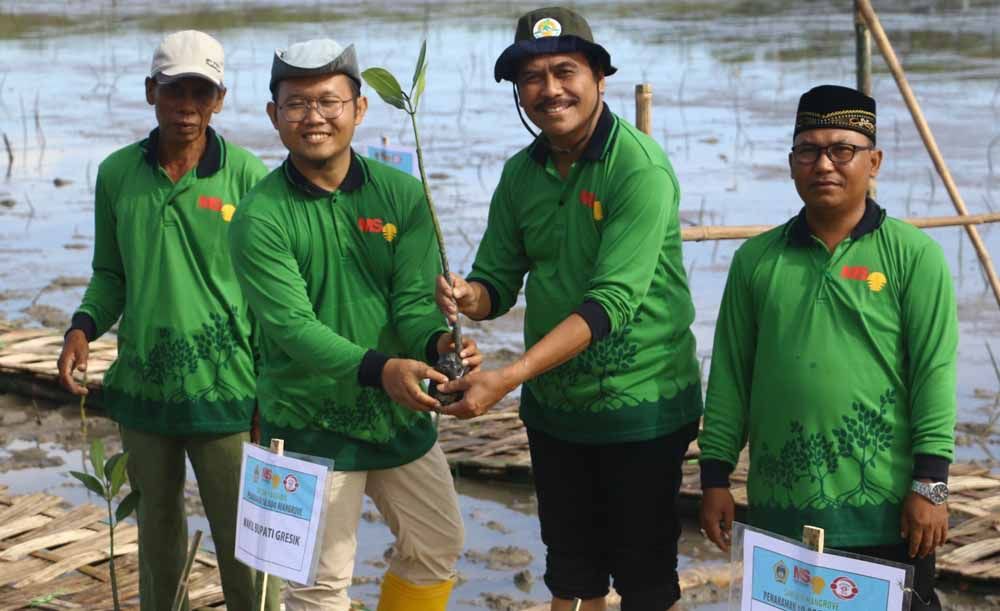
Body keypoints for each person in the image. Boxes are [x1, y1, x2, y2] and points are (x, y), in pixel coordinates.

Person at [434, 7, 702, 610]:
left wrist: (507, 377)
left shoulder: (638, 168)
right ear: (518, 92)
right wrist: (466, 294)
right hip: (556, 412)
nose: (550, 89)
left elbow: (610, 304)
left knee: (645, 583)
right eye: (532, 77)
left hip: (641, 409)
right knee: (571, 577)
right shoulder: (520, 174)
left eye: (565, 71)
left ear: (599, 78)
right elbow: (497, 284)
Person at [228, 38, 477, 611]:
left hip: (397, 415)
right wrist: (382, 369)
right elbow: (292, 327)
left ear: (359, 108)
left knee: (437, 544)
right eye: (296, 104)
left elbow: (413, 304)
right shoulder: (259, 216)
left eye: (329, 101)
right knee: (318, 586)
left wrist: (440, 343)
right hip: (305, 423)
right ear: (273, 115)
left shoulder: (403, 195)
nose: (313, 116)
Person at [698, 84, 956, 611]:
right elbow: (730, 376)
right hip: (780, 509)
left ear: (873, 161)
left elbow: (934, 373)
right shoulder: (756, 260)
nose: (824, 165)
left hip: (885, 513)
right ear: (792, 163)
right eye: (808, 151)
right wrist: (715, 478)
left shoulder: (914, 257)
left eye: (842, 150)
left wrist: (931, 485)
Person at [56, 30, 278, 611]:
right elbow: (111, 274)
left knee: (247, 549)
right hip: (143, 392)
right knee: (157, 543)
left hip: (228, 394)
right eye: (175, 89)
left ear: (219, 100)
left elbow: (270, 295)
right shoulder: (116, 174)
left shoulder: (248, 177)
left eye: (201, 92)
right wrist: (81, 328)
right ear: (151, 91)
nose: (187, 105)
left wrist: (271, 390)